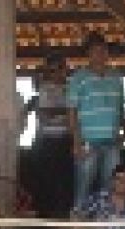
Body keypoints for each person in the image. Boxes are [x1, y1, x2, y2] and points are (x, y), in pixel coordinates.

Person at [67, 32, 125, 209]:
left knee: (110, 189)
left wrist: (123, 134)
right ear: (88, 54)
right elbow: (72, 112)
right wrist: (76, 143)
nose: (100, 54)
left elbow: (121, 108)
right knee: (83, 188)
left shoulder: (116, 78)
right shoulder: (78, 78)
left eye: (103, 50)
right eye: (96, 51)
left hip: (112, 142)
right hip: (88, 142)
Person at [29, 53, 75, 217]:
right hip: (46, 142)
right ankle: (45, 218)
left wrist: (61, 113)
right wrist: (68, 111)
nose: (54, 73)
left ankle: (64, 218)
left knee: (66, 181)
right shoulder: (44, 89)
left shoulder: (72, 87)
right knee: (46, 182)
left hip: (67, 140)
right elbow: (44, 116)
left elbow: (78, 113)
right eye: (51, 70)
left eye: (58, 69)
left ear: (65, 70)